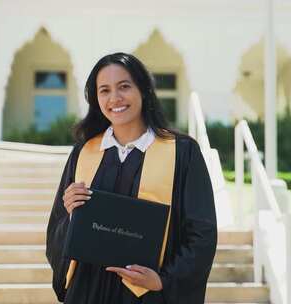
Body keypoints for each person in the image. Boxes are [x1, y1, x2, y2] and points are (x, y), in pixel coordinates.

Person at [46, 52, 218, 304]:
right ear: (96, 98)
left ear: (144, 90)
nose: (114, 98)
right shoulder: (84, 151)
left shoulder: (182, 152)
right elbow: (57, 226)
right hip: (88, 291)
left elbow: (202, 233)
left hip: (148, 295)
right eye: (104, 90)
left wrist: (165, 281)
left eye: (124, 86)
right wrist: (71, 210)